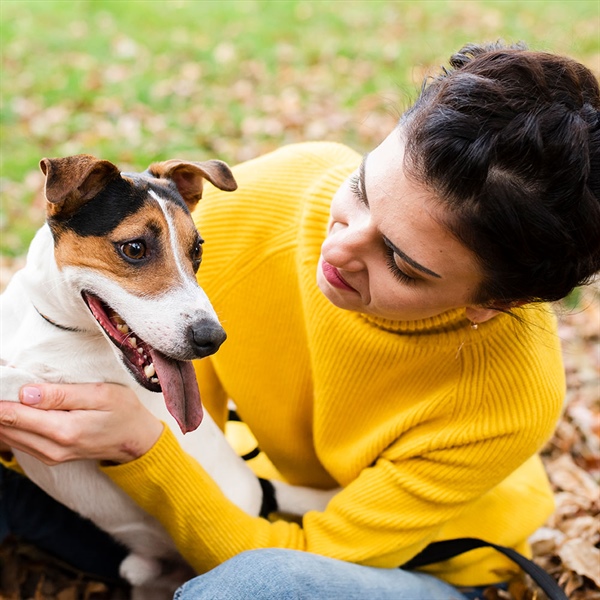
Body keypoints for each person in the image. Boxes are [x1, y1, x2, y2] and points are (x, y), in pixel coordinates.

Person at [1, 42, 599, 600]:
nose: (336, 249)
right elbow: (183, 418)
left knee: (251, 588)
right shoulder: (260, 204)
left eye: (401, 262)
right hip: (238, 490)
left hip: (406, 565)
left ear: (491, 303)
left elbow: (303, 555)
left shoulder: (509, 399)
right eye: (361, 188)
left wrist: (139, 447)